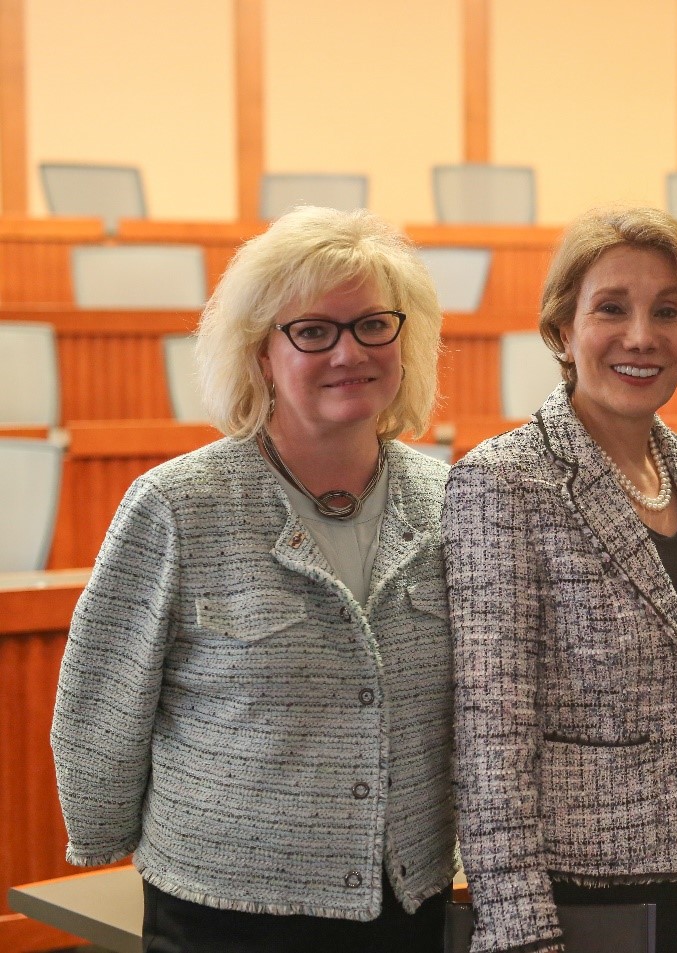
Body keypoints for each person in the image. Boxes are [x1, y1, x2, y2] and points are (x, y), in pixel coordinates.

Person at [50, 206, 455, 953]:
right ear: (261, 353)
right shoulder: (177, 504)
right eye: (313, 330)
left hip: (404, 899)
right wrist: (100, 828)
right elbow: (102, 694)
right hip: (223, 906)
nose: (349, 351)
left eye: (373, 324)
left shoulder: (453, 502)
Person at [444, 206, 677, 953]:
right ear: (561, 331)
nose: (641, 336)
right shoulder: (504, 481)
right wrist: (520, 933)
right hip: (575, 902)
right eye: (611, 308)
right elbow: (490, 738)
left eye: (668, 312)